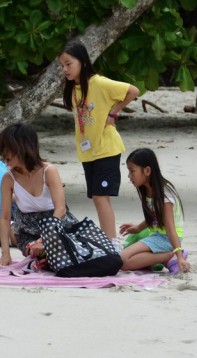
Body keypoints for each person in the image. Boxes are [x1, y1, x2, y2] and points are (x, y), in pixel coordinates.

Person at [59, 42, 140, 247]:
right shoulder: (75, 88)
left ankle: (111, 243)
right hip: (89, 152)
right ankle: (109, 240)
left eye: (69, 64)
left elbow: (133, 90)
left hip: (106, 149)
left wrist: (114, 112)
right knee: (99, 198)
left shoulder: (99, 83)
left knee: (99, 197)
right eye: (62, 65)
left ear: (83, 62)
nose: (65, 69)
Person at [0, 123, 72, 266]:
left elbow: (60, 210)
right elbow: (5, 217)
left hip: (58, 228)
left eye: (8, 148)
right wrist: (5, 254)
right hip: (27, 233)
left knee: (67, 254)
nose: (4, 154)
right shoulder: (8, 179)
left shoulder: (49, 171)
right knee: (44, 258)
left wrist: (45, 239)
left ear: (24, 147)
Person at [119, 148, 190, 274]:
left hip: (167, 238)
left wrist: (178, 255)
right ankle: (165, 257)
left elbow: (170, 228)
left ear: (147, 171)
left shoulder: (164, 194)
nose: (129, 176)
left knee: (122, 260)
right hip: (157, 235)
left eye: (132, 171)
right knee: (124, 258)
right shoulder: (148, 189)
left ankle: (169, 256)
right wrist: (138, 228)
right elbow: (155, 216)